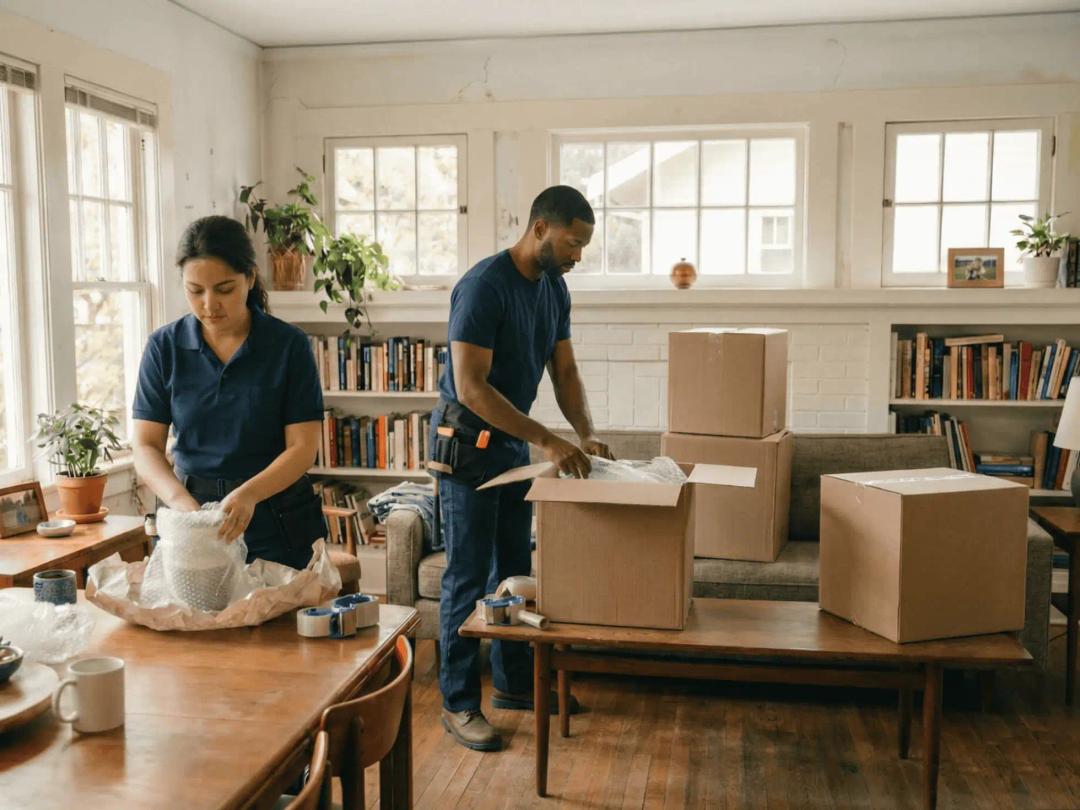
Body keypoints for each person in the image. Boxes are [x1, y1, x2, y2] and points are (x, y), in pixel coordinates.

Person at [431, 185, 613, 751]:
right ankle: (458, 704)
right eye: (572, 242)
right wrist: (548, 441)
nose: (577, 255)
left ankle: (513, 685)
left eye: (583, 245)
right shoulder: (484, 287)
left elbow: (564, 369)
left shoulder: (553, 289)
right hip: (466, 445)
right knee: (465, 577)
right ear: (540, 227)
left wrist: (585, 433)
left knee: (512, 571)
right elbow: (470, 387)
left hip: (509, 443)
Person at [132, 216, 326, 570]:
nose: (209, 304)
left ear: (250, 278)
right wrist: (180, 502)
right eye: (195, 290)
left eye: (224, 289)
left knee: (277, 624)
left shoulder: (288, 346)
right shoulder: (164, 347)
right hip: (190, 513)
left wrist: (249, 494)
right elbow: (145, 446)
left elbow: (303, 448)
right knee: (196, 623)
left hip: (275, 513)